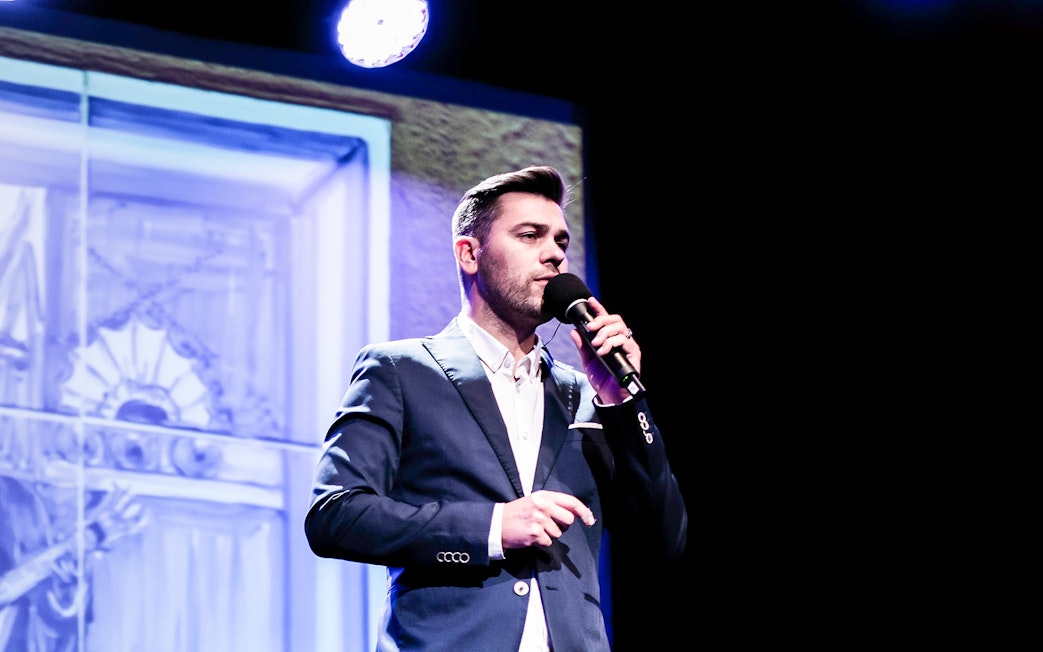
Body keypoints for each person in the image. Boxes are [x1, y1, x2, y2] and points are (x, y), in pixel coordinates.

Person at [304, 165, 687, 651]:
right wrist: (491, 527)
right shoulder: (399, 370)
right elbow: (335, 516)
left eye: (561, 243)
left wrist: (623, 399)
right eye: (530, 235)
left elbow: (664, 537)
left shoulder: (586, 395)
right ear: (469, 253)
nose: (554, 254)